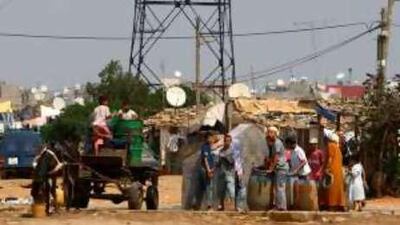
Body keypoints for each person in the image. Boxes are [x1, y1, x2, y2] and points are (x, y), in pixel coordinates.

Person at [216, 134, 245, 211]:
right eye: (226, 141)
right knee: (221, 190)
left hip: (230, 173)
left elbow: (234, 162)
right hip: (222, 172)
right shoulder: (221, 151)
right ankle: (221, 205)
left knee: (232, 190)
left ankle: (237, 206)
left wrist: (225, 157)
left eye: (229, 141)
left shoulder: (233, 151)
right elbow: (218, 163)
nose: (227, 142)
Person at [265, 126, 289, 211]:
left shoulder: (277, 143)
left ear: (275, 133)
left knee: (280, 187)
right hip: (280, 168)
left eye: (270, 132)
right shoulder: (275, 143)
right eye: (268, 132)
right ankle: (280, 206)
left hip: (281, 168)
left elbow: (276, 157)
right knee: (279, 187)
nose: (268, 134)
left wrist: (271, 168)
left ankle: (281, 207)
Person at [322, 127, 346, 211]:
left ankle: (332, 205)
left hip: (332, 171)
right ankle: (340, 204)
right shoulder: (337, 147)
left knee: (331, 188)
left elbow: (330, 158)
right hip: (337, 171)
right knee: (338, 188)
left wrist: (327, 168)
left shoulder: (331, 146)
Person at [200, 132, 219, 210]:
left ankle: (213, 204)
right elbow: (205, 159)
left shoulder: (214, 147)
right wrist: (208, 170)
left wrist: (213, 168)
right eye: (209, 138)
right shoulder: (205, 147)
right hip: (207, 169)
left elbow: (216, 159)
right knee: (209, 186)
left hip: (214, 169)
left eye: (211, 138)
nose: (211, 139)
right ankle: (209, 204)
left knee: (213, 186)